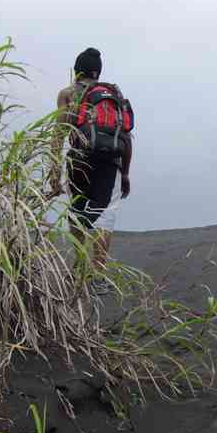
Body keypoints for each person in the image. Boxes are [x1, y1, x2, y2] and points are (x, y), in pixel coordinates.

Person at [49, 47, 132, 268]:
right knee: (105, 216)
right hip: (111, 162)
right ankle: (99, 271)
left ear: (77, 71)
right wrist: (125, 174)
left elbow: (58, 135)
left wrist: (54, 172)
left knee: (77, 211)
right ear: (97, 72)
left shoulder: (68, 94)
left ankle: (80, 264)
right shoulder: (113, 95)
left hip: (79, 160)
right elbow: (126, 136)